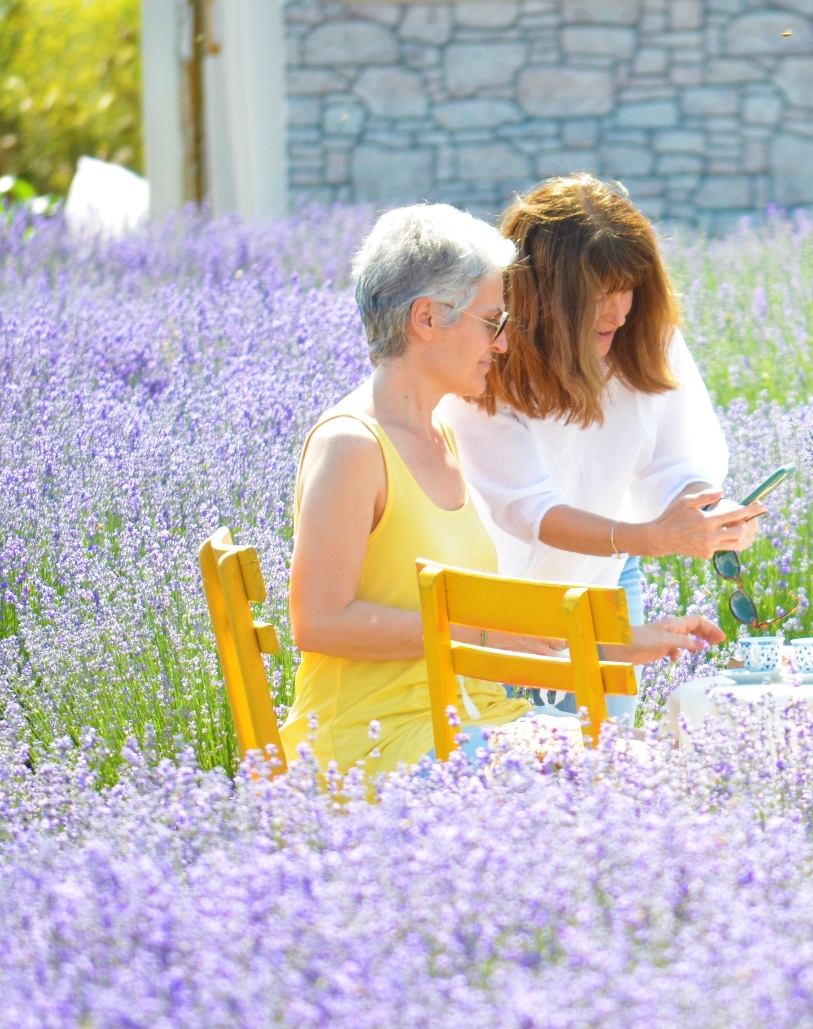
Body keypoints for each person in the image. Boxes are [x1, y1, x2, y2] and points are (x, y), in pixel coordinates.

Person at [282, 203, 724, 775]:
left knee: (668, 762)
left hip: (470, 719)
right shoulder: (352, 446)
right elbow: (318, 621)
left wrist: (624, 639)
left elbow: (487, 631)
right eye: (491, 322)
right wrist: (486, 632)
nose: (503, 343)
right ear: (427, 320)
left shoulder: (443, 435)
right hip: (378, 741)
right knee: (639, 774)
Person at [439, 175, 762, 725]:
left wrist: (704, 515)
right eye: (598, 296)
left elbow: (677, 460)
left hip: (607, 576)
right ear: (542, 297)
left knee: (604, 764)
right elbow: (528, 509)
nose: (619, 311)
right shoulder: (487, 357)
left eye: (629, 288)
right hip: (501, 606)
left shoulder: (646, 338)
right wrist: (649, 537)